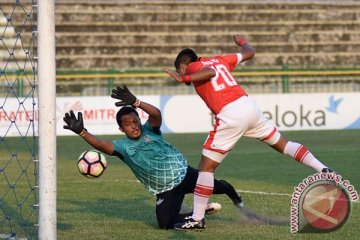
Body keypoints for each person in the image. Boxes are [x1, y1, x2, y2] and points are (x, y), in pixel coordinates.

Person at [163, 34, 334, 230]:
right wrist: (243, 42)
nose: (184, 75)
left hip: (230, 112)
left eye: (180, 69)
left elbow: (209, 73)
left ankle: (197, 218)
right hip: (248, 106)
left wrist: (183, 77)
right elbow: (249, 53)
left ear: (184, 64)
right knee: (283, 145)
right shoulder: (220, 59)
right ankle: (324, 169)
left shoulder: (193, 66)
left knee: (206, 167)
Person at [63, 85, 243, 230]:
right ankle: (201, 210)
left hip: (183, 174)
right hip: (164, 188)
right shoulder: (122, 147)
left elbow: (156, 113)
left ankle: (234, 196)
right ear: (121, 129)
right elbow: (101, 144)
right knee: (164, 224)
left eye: (135, 122)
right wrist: (82, 132)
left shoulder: (150, 130)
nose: (133, 126)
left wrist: (136, 102)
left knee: (219, 186)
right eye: (128, 124)